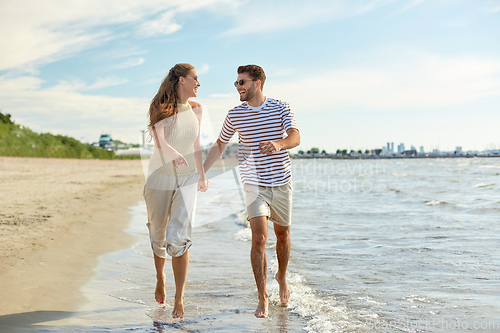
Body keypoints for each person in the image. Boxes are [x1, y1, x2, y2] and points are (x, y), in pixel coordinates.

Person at [203, 64, 300, 318]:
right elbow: (220, 143)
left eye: (242, 82)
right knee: (258, 238)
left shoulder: (281, 107)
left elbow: (295, 137)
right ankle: (262, 296)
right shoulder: (235, 114)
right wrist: (202, 171)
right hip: (253, 182)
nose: (238, 87)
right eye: (236, 83)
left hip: (281, 180)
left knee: (283, 235)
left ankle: (282, 277)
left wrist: (278, 144)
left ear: (257, 83)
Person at [143, 63, 208, 319]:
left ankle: (179, 296)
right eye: (195, 78)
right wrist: (173, 154)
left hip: (187, 177)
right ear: (182, 80)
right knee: (158, 233)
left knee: (179, 237)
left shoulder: (197, 109)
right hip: (160, 176)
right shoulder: (160, 105)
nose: (198, 83)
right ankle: (161, 278)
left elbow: (197, 144)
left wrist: (202, 174)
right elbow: (159, 139)